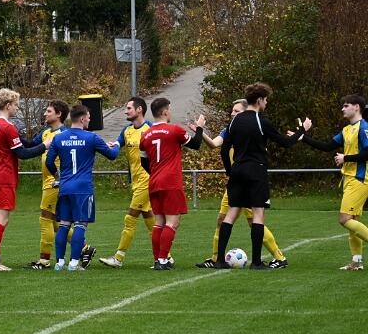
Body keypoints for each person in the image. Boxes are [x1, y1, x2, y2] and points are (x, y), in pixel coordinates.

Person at [216, 83, 305, 270]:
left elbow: (224, 149)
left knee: (231, 212)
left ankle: (220, 261)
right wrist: (302, 129)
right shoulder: (261, 121)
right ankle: (256, 262)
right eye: (265, 100)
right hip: (256, 170)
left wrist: (230, 171)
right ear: (259, 100)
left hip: (237, 170)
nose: (266, 103)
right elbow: (285, 143)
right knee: (258, 213)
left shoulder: (234, 121)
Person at [196, 100, 289, 269]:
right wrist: (200, 131)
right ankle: (216, 258)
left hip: (248, 181)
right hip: (236, 181)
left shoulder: (253, 127)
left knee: (254, 220)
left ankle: (279, 257)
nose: (232, 113)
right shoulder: (230, 128)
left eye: (236, 111)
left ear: (246, 112)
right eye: (232, 110)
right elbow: (214, 144)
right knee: (222, 219)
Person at [0, 88, 52, 271]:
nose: (17, 108)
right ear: (7, 105)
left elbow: (24, 143)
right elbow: (22, 153)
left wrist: (41, 138)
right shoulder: (7, 127)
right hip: (4, 176)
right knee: (2, 220)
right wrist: (45, 146)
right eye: (15, 105)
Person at [46, 105, 120, 271]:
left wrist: (58, 177)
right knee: (80, 224)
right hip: (83, 188)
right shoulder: (91, 137)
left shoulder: (58, 138)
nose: (89, 119)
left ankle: (59, 263)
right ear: (82, 118)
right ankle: (73, 263)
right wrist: (116, 144)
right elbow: (112, 155)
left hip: (65, 187)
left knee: (64, 224)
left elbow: (49, 162)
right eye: (88, 117)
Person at [299, 94, 368, 271]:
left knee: (344, 219)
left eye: (346, 105)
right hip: (349, 178)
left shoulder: (364, 128)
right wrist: (303, 137)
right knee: (353, 221)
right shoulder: (346, 130)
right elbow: (327, 146)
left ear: (357, 107)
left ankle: (357, 261)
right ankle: (357, 262)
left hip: (360, 179)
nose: (342, 108)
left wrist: (346, 158)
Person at [138, 98, 205, 270]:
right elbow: (196, 144)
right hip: (170, 182)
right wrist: (199, 127)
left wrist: (156, 173)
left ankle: (157, 260)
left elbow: (143, 162)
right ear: (165, 112)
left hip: (154, 182)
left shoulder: (145, 135)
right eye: (169, 109)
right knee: (172, 222)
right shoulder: (175, 130)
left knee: (159, 222)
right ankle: (162, 260)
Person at [100, 97, 155, 268]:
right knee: (149, 219)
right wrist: (112, 146)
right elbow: (118, 144)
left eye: (129, 108)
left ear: (139, 110)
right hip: (136, 182)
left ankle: (118, 258)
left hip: (147, 180)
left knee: (130, 218)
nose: (125, 111)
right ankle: (165, 256)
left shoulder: (150, 129)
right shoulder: (127, 130)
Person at [26, 100, 68, 270]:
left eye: (49, 111)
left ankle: (44, 260)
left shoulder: (64, 134)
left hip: (55, 183)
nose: (45, 113)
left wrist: (61, 179)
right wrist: (12, 135)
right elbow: (30, 144)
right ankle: (84, 248)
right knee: (56, 222)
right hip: (47, 182)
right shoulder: (45, 133)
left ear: (59, 114)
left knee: (45, 218)